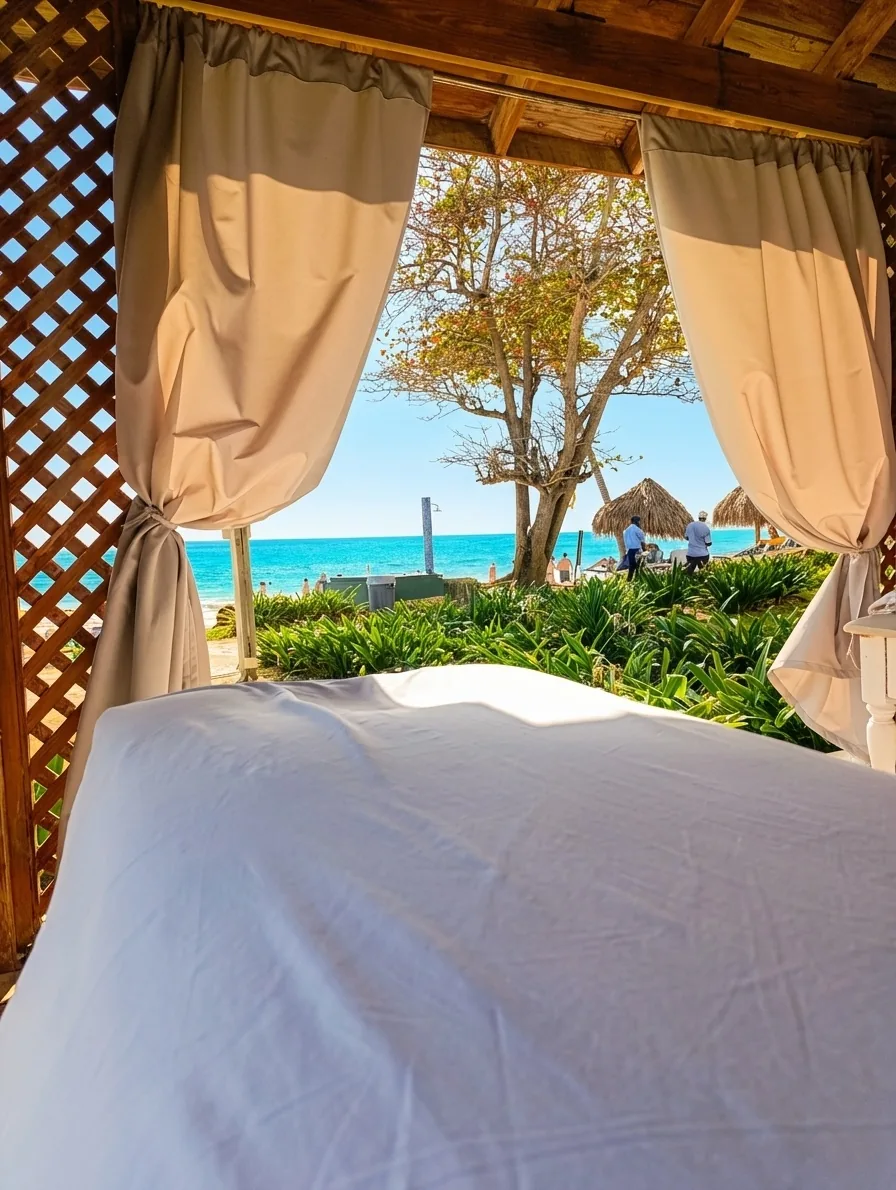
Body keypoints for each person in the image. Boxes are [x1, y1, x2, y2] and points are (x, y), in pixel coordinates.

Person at [622, 515, 646, 582]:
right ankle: (638, 579)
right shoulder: (637, 529)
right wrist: (644, 549)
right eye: (639, 521)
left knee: (631, 566)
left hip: (629, 550)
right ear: (637, 521)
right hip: (636, 549)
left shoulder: (626, 530)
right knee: (639, 566)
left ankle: (629, 580)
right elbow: (642, 540)